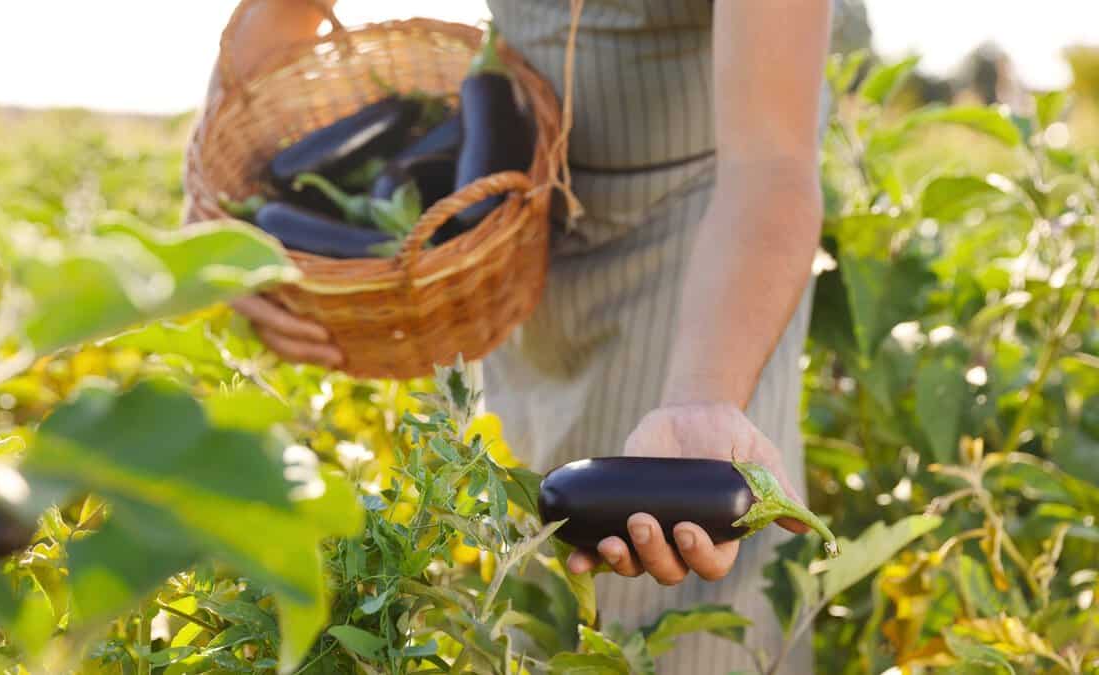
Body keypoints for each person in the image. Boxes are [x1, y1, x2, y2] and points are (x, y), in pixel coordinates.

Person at [220, 1, 832, 672]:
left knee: (688, 637)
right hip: (516, 234)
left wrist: (702, 397)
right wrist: (222, 227)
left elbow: (770, 164)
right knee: (533, 590)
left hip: (707, 260)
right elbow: (280, 16)